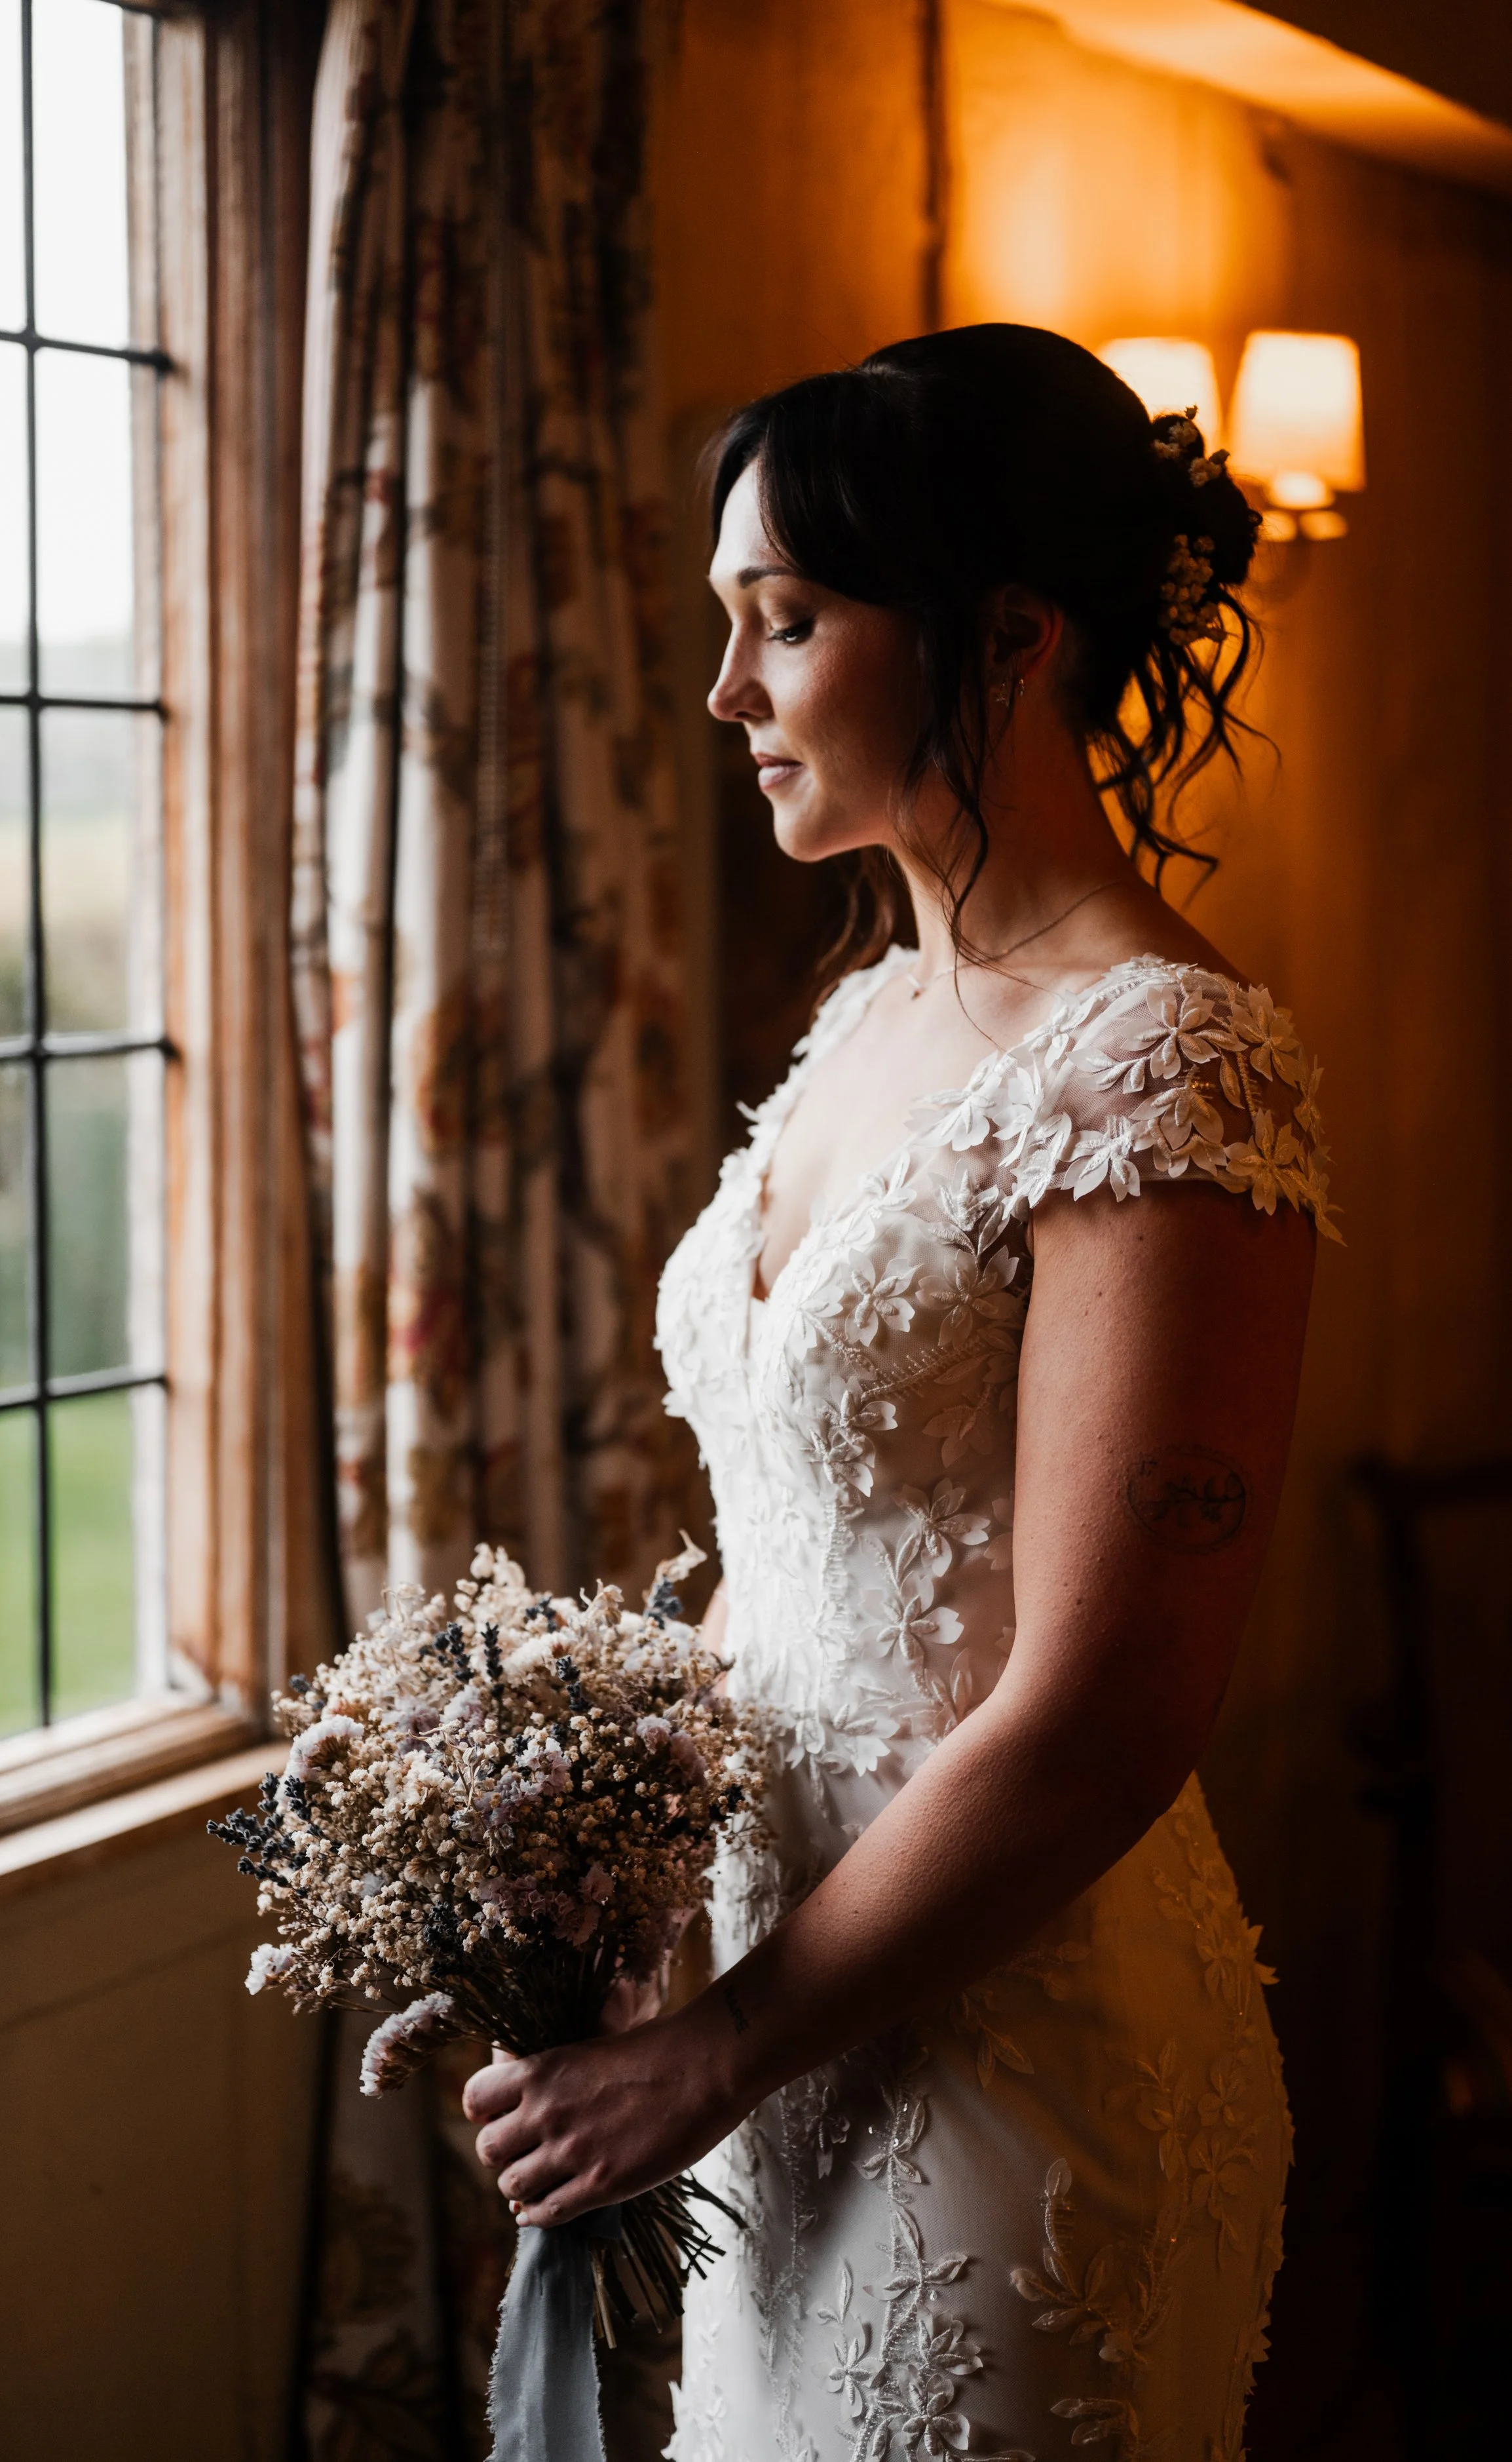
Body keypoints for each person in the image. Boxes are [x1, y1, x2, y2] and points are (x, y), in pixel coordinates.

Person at [464, 323, 1336, 2459]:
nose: (724, 696)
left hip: (1010, 2066)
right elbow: (799, 1542)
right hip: (779, 2033)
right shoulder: (871, 1016)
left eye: (784, 623)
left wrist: (715, 2052)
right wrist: (580, 1863)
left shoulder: (1162, 1068)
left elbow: (1109, 1706)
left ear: (1007, 637)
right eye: (720, 628)